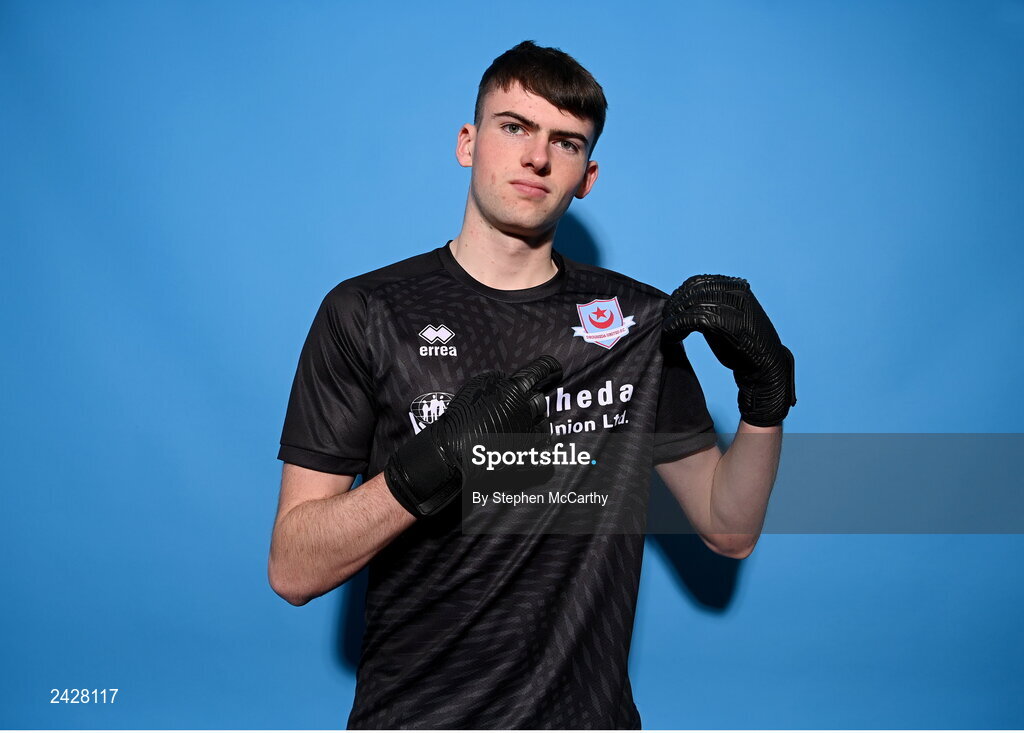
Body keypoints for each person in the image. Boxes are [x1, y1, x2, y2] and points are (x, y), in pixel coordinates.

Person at [269, 41, 796, 729]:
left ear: (588, 176)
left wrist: (764, 399)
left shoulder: (636, 323)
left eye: (566, 142)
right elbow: (292, 568)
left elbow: (729, 530)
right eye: (513, 127)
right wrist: (427, 468)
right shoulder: (367, 313)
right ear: (468, 142)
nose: (537, 156)